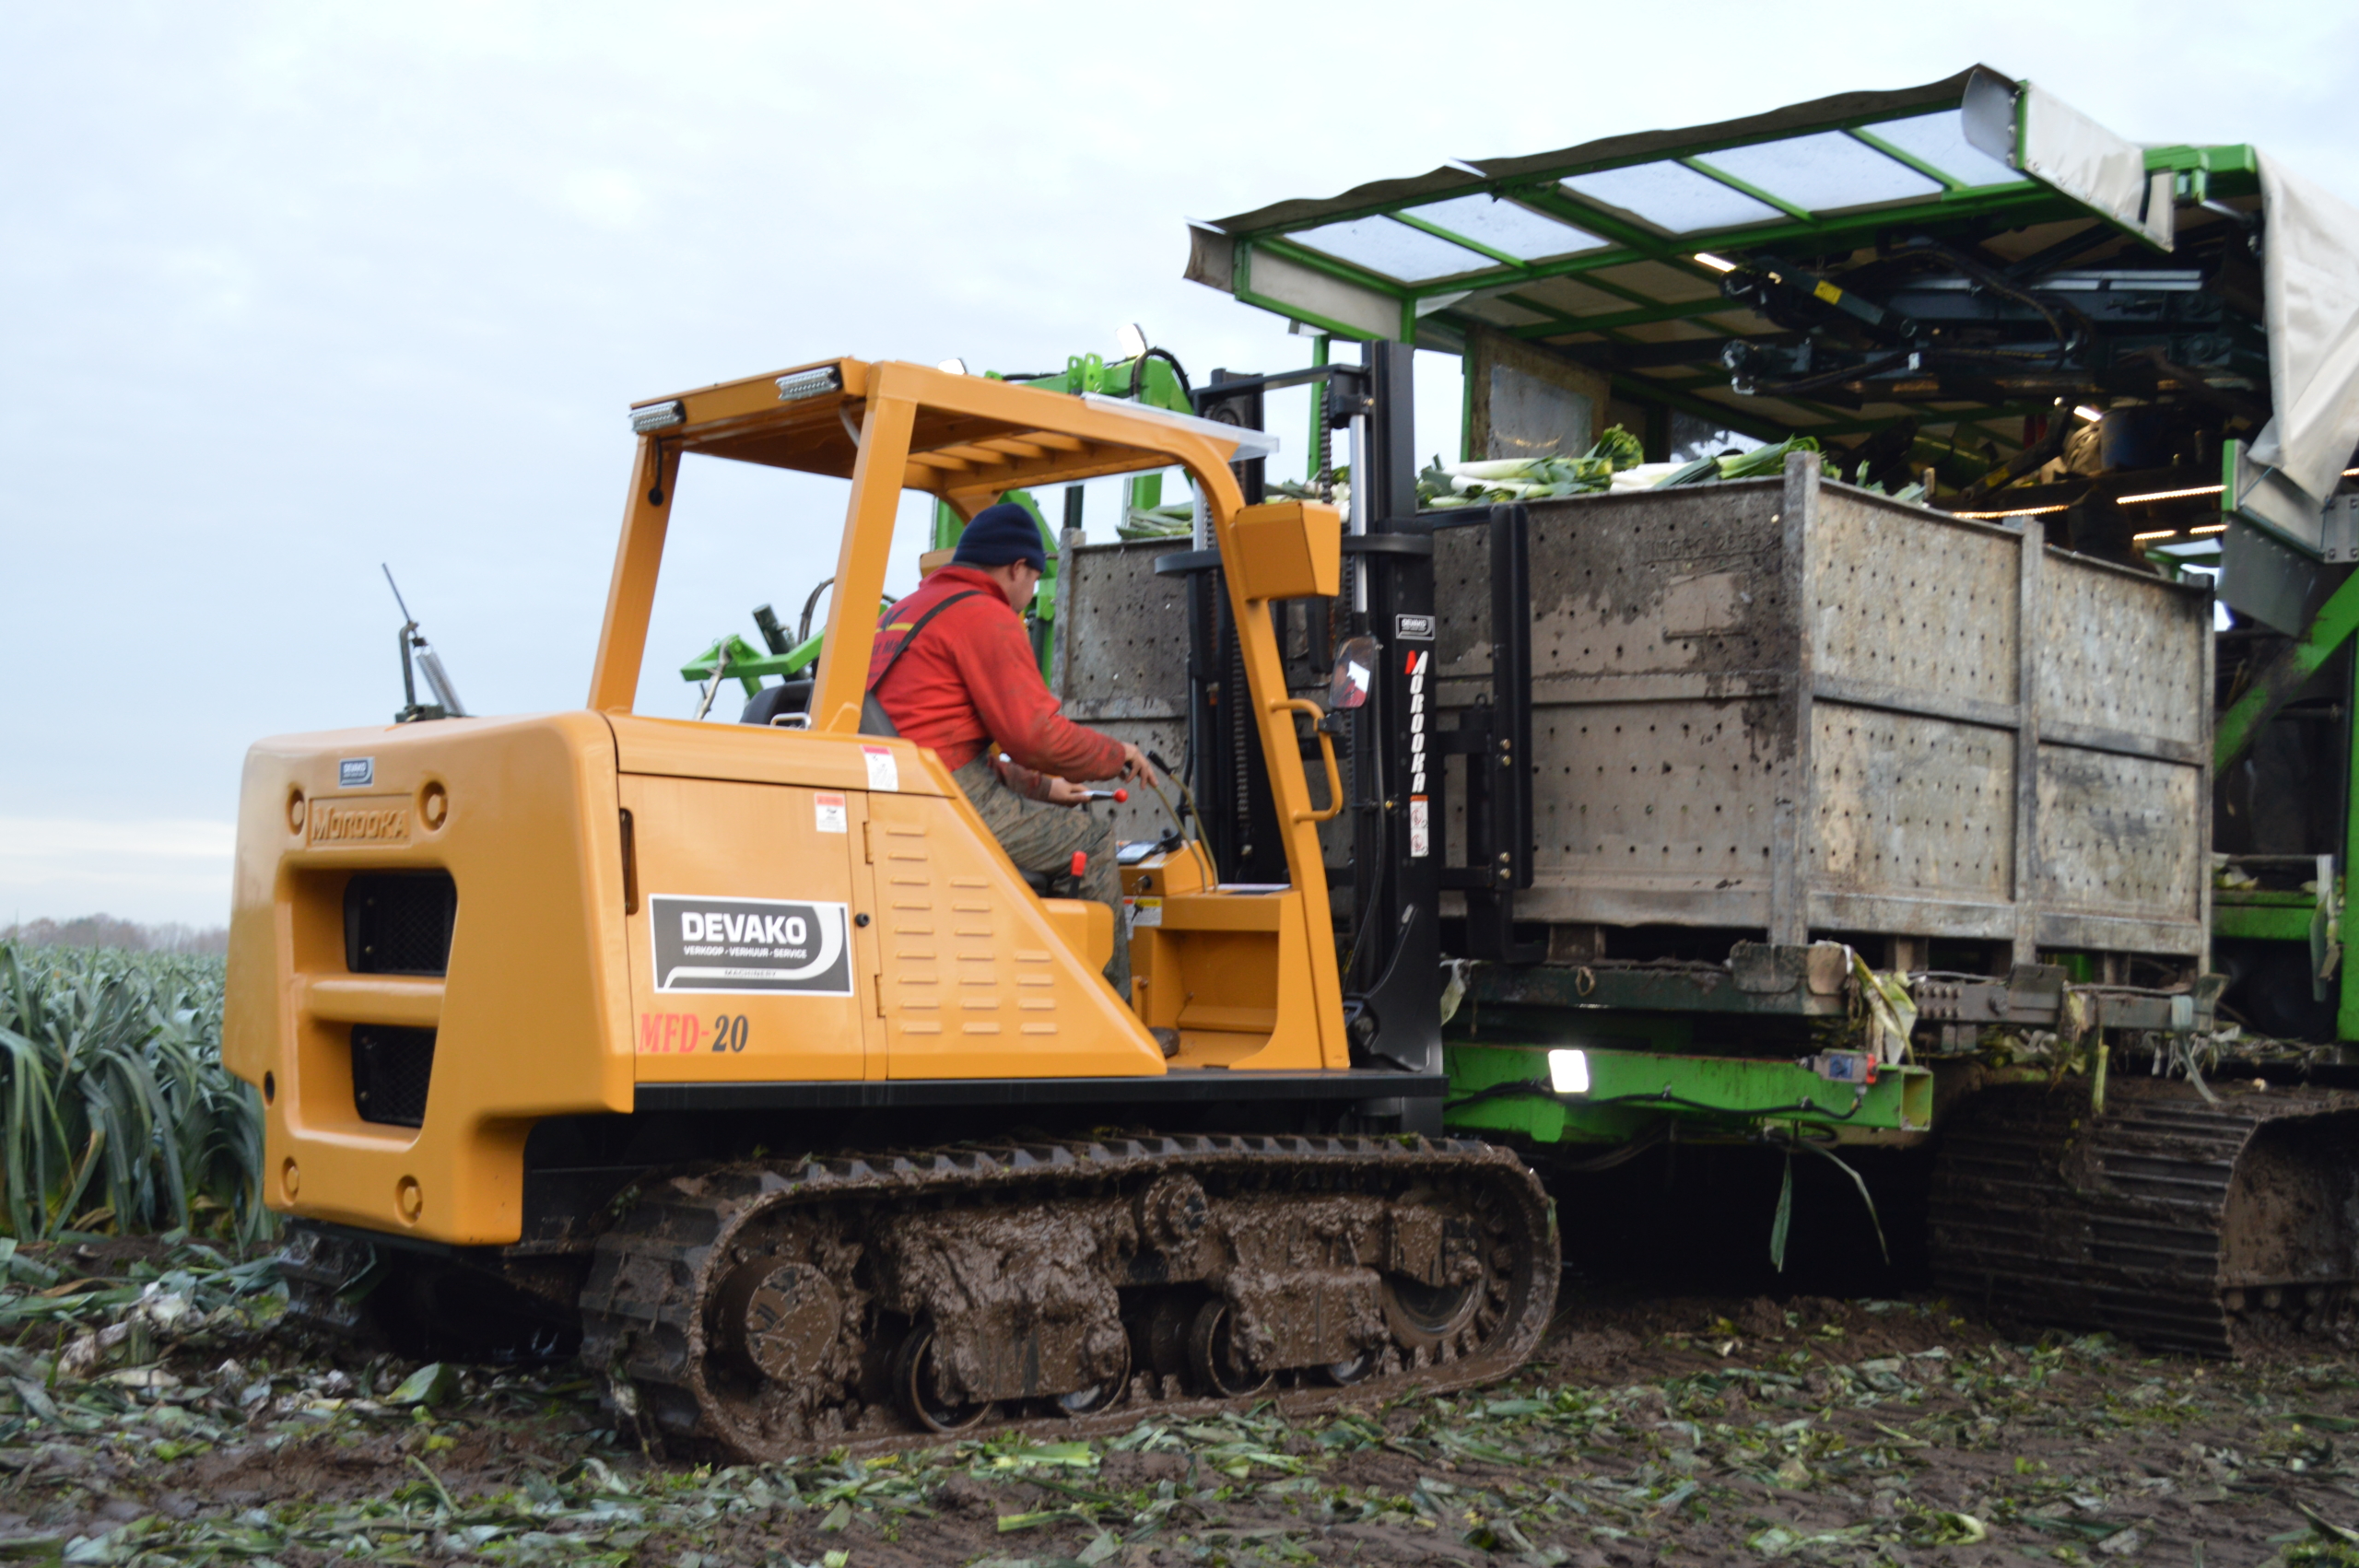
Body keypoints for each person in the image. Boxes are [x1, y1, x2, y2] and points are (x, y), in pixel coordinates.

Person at [865, 502, 1156, 1000]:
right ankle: (1111, 1014)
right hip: (940, 801)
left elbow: (939, 738)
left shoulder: (903, 612)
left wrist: (1041, 786)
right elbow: (1035, 736)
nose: (1030, 597)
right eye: (1035, 581)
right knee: (1089, 843)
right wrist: (1118, 754)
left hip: (894, 787)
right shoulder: (985, 615)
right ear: (1017, 568)